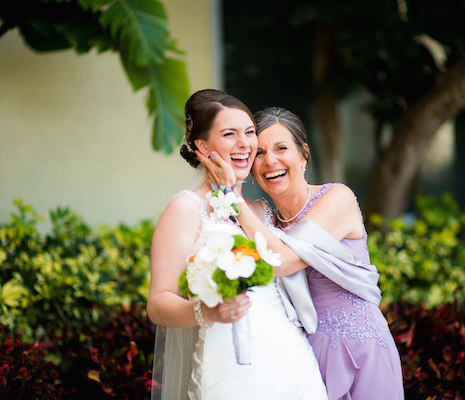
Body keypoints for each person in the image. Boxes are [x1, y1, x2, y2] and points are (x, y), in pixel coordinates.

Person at [198, 106, 404, 399]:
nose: (270, 161)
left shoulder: (338, 197)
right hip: (303, 355)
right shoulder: (264, 219)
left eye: (282, 148)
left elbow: (282, 260)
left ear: (303, 155)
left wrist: (232, 197)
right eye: (259, 153)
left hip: (361, 348)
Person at [146, 90, 327, 400]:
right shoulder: (187, 208)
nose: (245, 144)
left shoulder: (262, 210)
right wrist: (208, 312)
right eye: (229, 134)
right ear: (202, 146)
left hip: (292, 358)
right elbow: (158, 304)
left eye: (249, 132)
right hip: (229, 363)